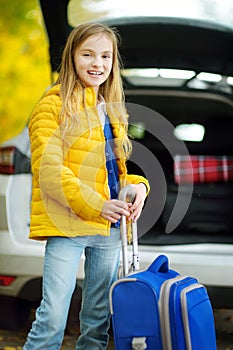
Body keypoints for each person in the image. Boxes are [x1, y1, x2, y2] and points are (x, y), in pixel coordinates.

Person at [23, 22, 150, 350]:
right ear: (71, 57)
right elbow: (49, 172)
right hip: (67, 225)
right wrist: (97, 204)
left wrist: (138, 188)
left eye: (105, 56)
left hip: (108, 227)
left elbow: (112, 173)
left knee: (97, 320)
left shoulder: (110, 110)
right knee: (52, 316)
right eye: (88, 54)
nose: (98, 63)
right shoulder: (51, 106)